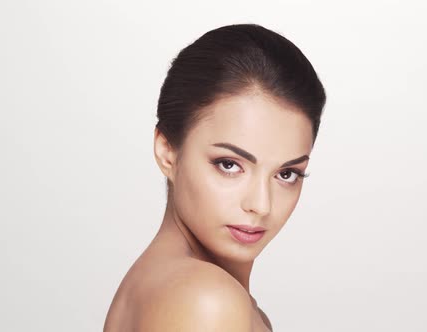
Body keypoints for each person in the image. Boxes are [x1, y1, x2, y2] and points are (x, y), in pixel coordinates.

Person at [103, 23, 326, 331]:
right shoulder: (206, 301)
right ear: (167, 151)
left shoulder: (162, 284)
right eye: (229, 165)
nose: (261, 205)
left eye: (286, 174)